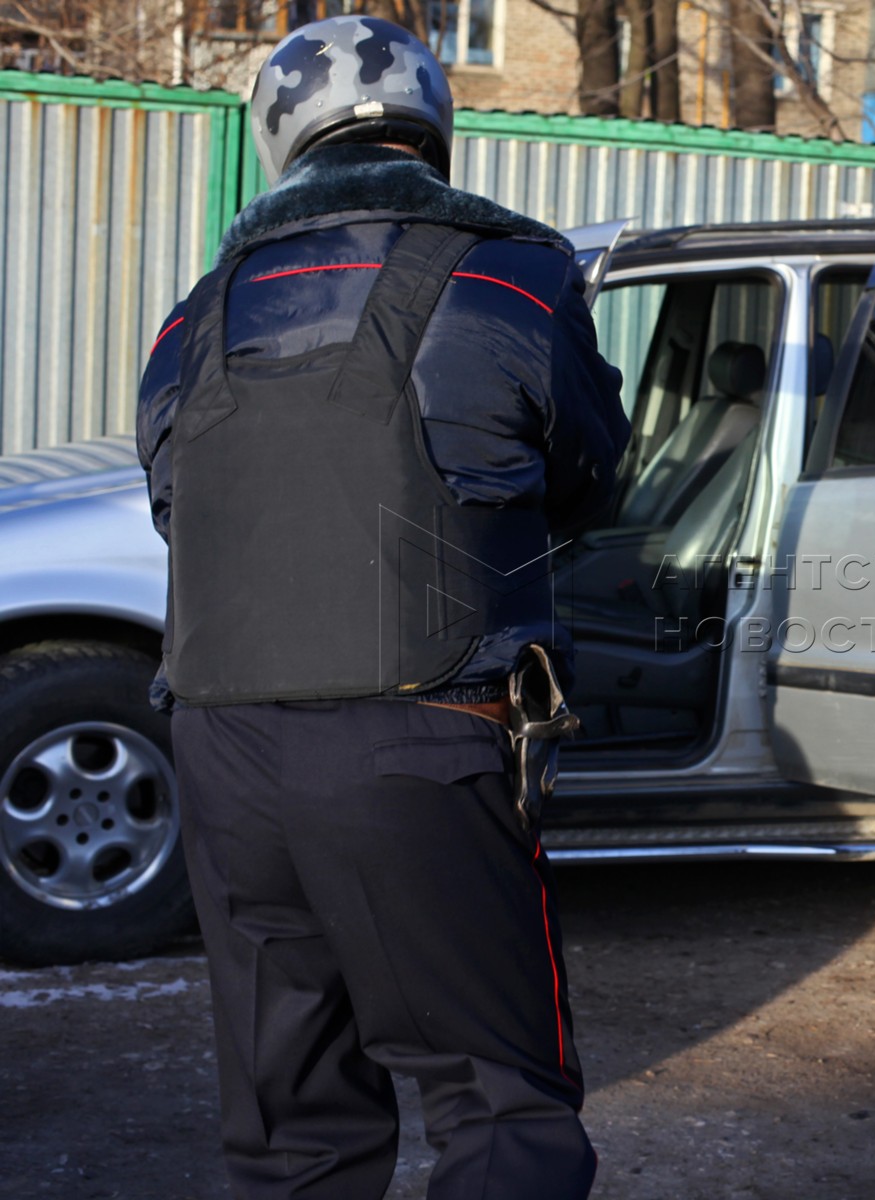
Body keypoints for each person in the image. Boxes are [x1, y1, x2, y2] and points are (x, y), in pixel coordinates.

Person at [135, 16, 628, 1199]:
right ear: (433, 129)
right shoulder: (516, 279)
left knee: (291, 1130)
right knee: (501, 1105)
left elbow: (174, 501)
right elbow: (592, 475)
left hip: (226, 755)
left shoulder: (194, 317)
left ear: (279, 140)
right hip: (423, 739)